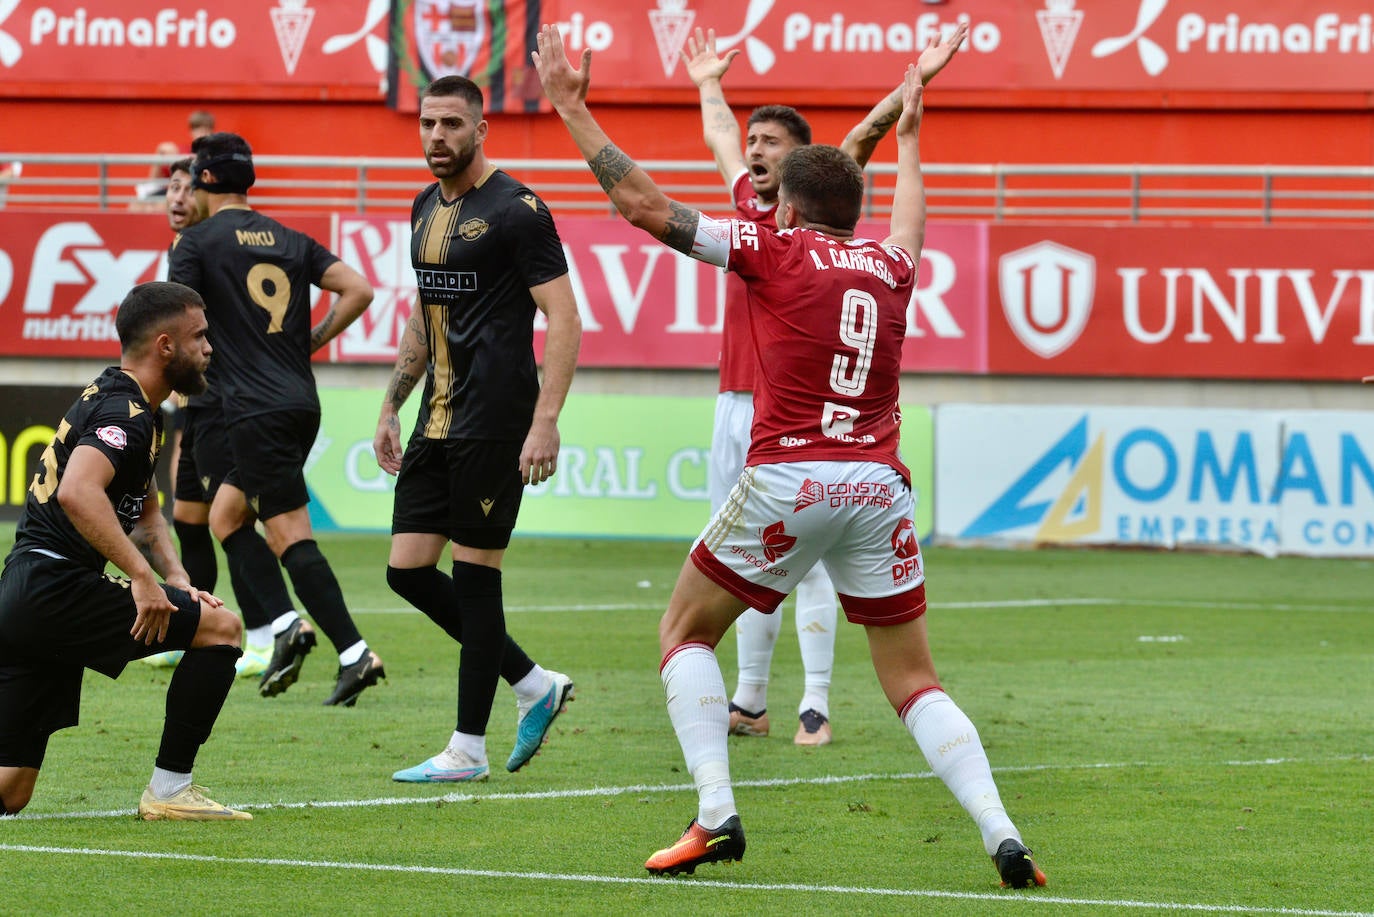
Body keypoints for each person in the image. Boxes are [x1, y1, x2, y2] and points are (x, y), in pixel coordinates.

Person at [533, 25, 1047, 887]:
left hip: (791, 475)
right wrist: (913, 120)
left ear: (790, 205)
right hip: (880, 486)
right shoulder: (892, 264)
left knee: (683, 631)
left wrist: (571, 106)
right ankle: (1003, 831)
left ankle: (715, 813)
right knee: (914, 678)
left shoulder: (771, 248)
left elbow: (643, 207)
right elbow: (912, 200)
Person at [682, 26, 967, 748]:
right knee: (748, 558)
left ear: (803, 161)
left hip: (803, 421)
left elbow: (870, 133)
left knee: (808, 558)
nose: (755, 150)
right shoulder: (749, 213)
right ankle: (749, 699)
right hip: (736, 401)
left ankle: (813, 701)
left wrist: (915, 89)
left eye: (772, 141)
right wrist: (709, 83)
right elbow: (719, 139)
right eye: (754, 140)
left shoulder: (815, 216)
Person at [373, 75, 581, 782]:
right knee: (406, 571)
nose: (437, 136)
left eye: (451, 124)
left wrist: (545, 420)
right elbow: (422, 313)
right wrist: (389, 402)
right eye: (428, 123)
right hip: (435, 415)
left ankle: (468, 747)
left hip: (495, 419)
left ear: (481, 128)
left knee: (474, 576)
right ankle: (532, 683)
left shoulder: (518, 210)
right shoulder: (423, 206)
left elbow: (564, 316)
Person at [0, 281, 250, 820]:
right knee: (223, 629)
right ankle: (170, 791)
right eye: (200, 336)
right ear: (165, 345)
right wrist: (142, 578)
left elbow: (149, 513)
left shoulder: (125, 399)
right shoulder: (126, 413)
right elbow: (77, 492)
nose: (209, 347)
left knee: (9, 790)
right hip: (58, 589)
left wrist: (177, 580)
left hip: (25, 593)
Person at [169, 132, 384, 707]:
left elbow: (186, 327)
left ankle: (332, 642)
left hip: (250, 408)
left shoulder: (197, 242)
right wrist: (308, 342)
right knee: (227, 515)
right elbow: (359, 290)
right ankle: (318, 638)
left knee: (283, 533)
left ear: (206, 179)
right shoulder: (290, 238)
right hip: (298, 400)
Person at [144, 158, 275, 677]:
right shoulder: (184, 250)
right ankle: (190, 625)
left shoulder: (212, 251)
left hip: (230, 403)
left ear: (204, 194)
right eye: (170, 188)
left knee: (233, 521)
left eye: (185, 188)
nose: (177, 197)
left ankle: (268, 632)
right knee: (189, 518)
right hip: (198, 403)